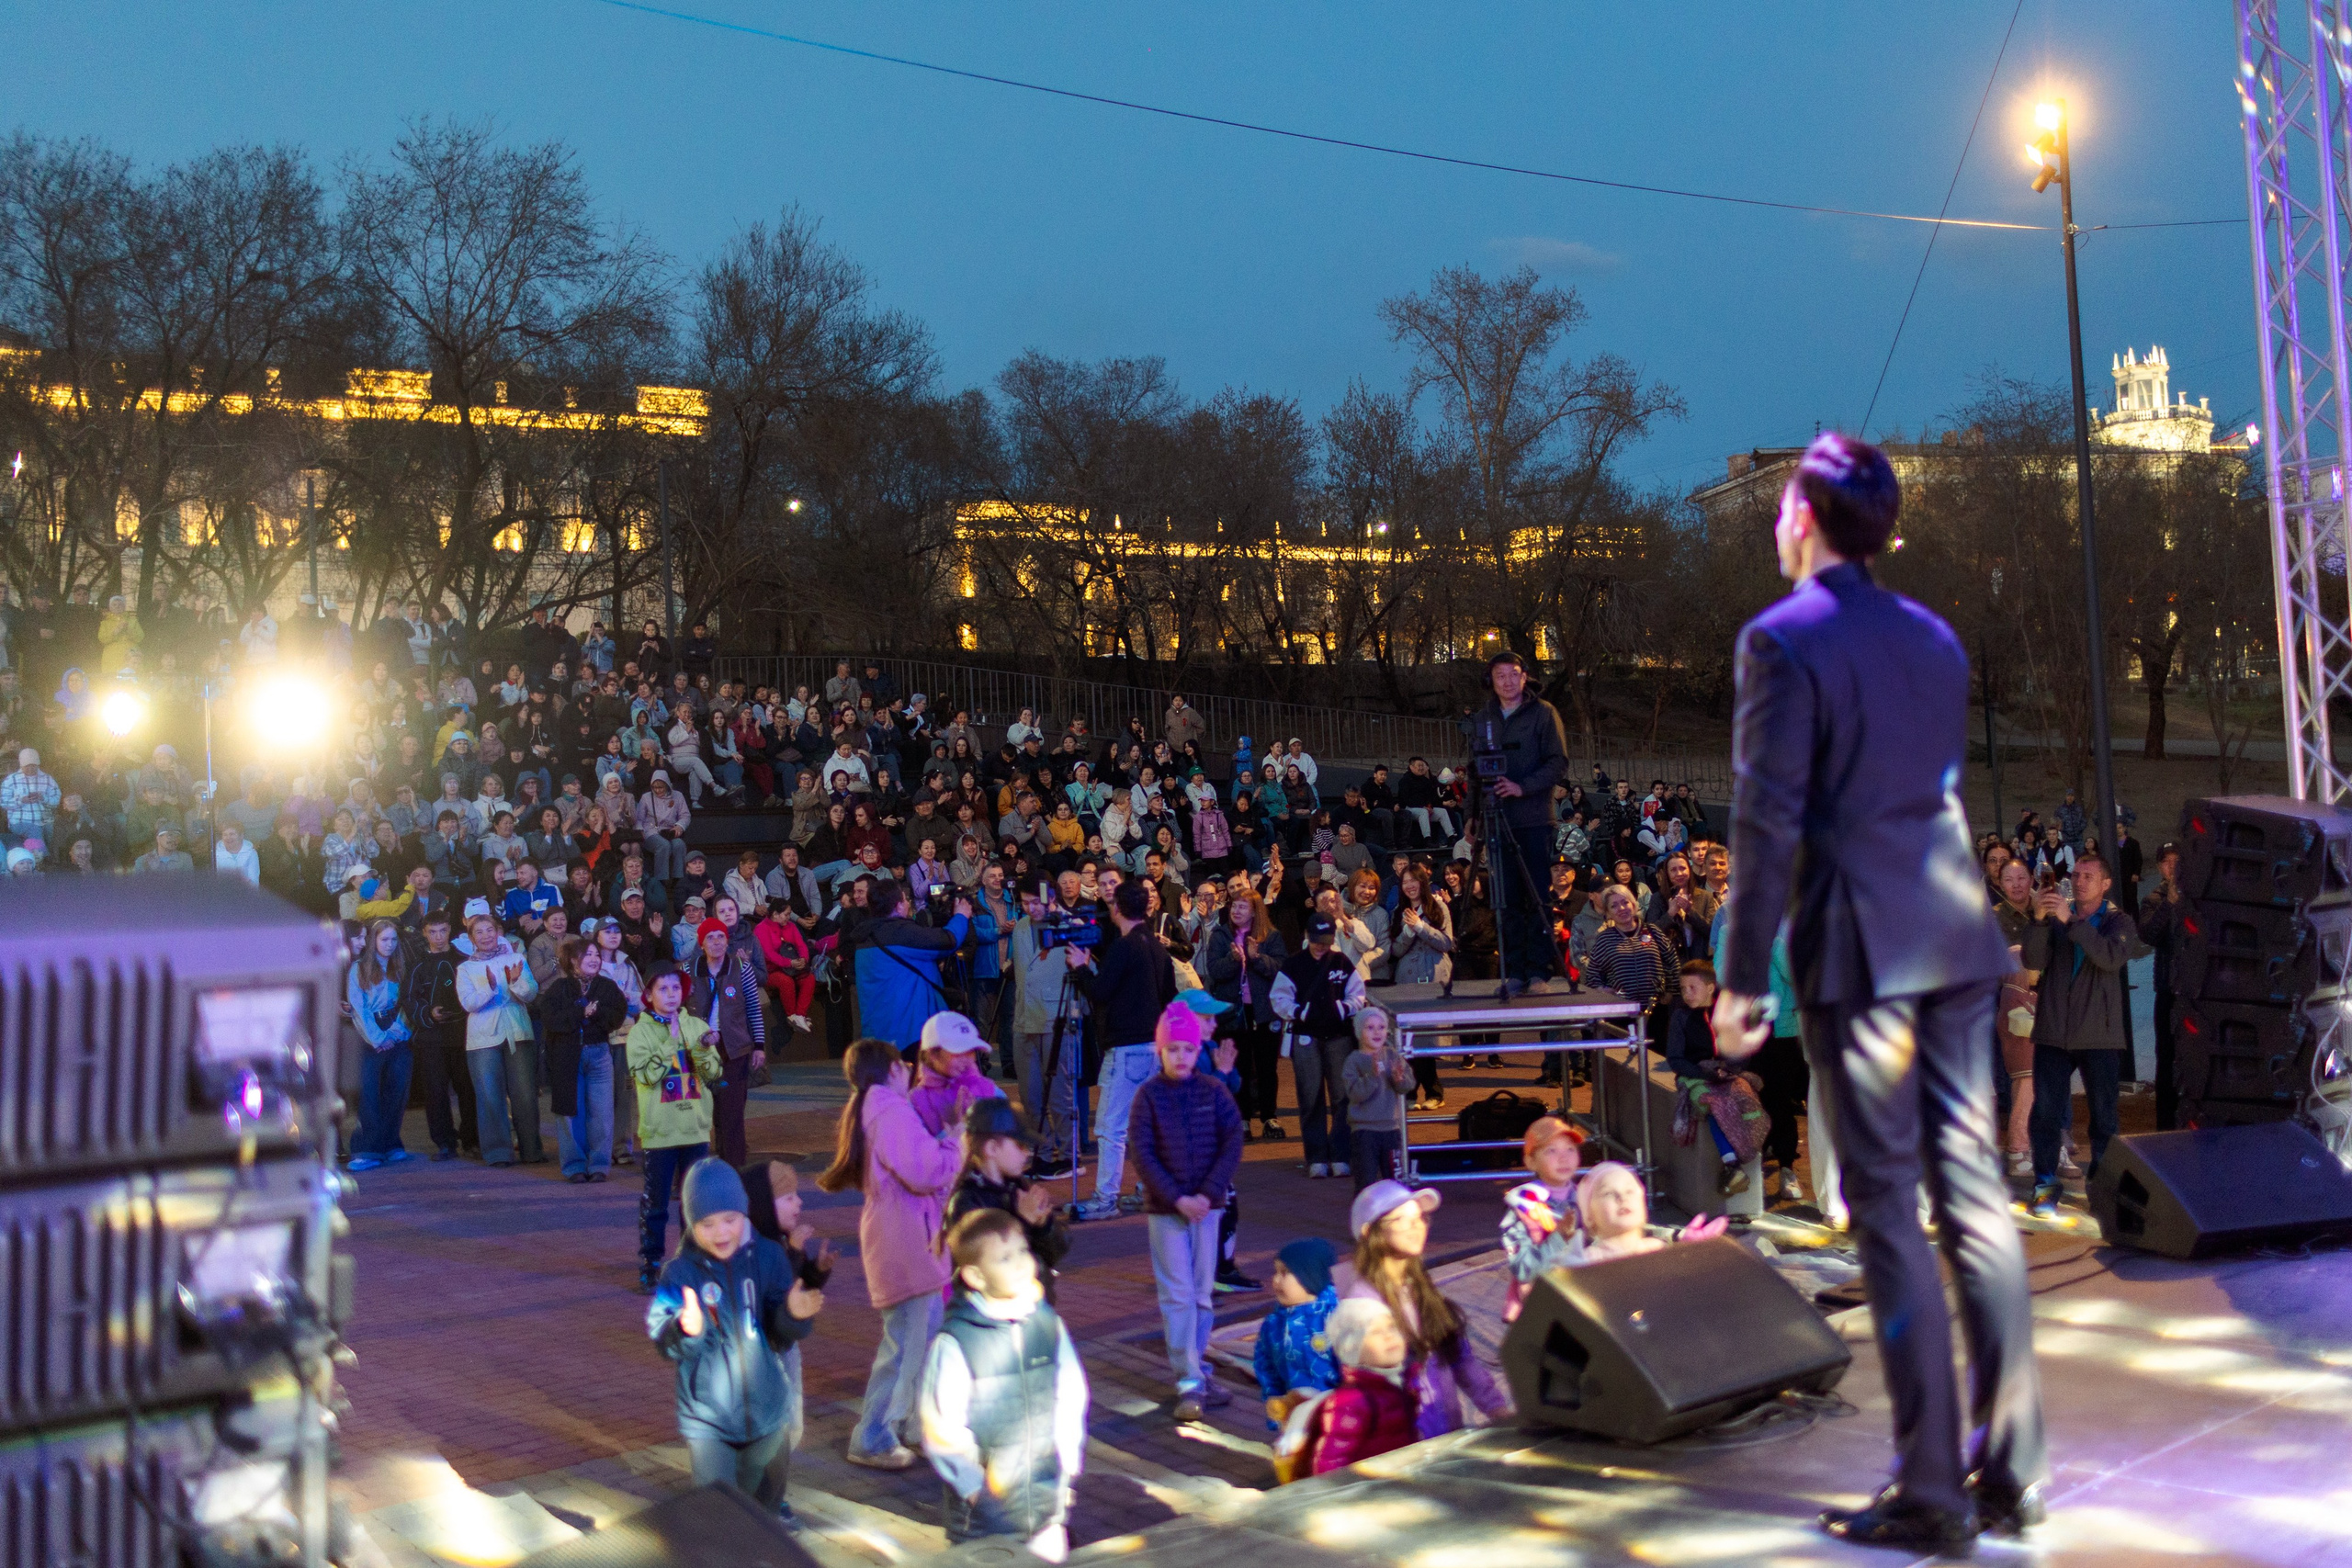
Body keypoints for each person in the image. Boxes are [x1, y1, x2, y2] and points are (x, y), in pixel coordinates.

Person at [1711, 432, 2046, 1547]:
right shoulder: (1932, 637)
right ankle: (2011, 1470)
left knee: (1891, 1214)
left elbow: (1767, 819)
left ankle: (1933, 1492)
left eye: (1779, 506)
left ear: (1803, 520)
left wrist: (1740, 978)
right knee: (1975, 1201)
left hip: (1864, 950)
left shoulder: (1780, 638)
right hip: (1956, 936)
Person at [647, 1158, 823, 1518]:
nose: (720, 1232)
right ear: (691, 1223)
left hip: (768, 1415)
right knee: (720, 1516)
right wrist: (685, 1329)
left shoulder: (769, 1256)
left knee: (765, 1513)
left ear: (744, 1212)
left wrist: (793, 1315)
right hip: (709, 1421)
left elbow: (780, 1336)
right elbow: (662, 1336)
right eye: (707, 1224)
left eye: (730, 1219)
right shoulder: (679, 1273)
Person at [818, 1039, 961, 1471]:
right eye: (904, 1065)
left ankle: (915, 1426)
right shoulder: (891, 1111)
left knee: (920, 1337)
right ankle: (873, 1435)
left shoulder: (874, 1109)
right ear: (892, 1070)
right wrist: (955, 1143)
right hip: (907, 1238)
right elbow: (925, 1171)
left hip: (902, 1234)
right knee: (906, 1343)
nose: (911, 1071)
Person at [919, 1209, 1089, 1561]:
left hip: (1046, 1505)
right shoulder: (957, 1341)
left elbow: (1071, 1394)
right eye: (1004, 1258)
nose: (1021, 1263)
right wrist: (972, 1487)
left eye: (1023, 1251)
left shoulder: (1047, 1324)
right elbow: (941, 1425)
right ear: (976, 1276)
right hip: (984, 1517)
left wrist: (1068, 1462)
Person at [1126, 1000, 1245, 1421]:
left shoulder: (1213, 1091)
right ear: (1160, 1051)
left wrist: (1208, 1193)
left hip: (1206, 1208)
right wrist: (1178, 1198)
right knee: (1177, 1294)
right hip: (1168, 1210)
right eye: (1172, 1049)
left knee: (1201, 1294)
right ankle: (1189, 1378)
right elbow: (1143, 1153)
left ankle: (1196, 1369)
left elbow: (1232, 1140)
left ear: (1198, 1051)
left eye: (1188, 1049)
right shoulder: (1148, 1096)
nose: (1181, 1056)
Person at [2021, 853, 2146, 1218]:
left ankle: (2102, 1191)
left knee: (2104, 1118)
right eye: (2076, 875)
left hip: (2099, 1035)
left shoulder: (2119, 921)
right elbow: (2032, 961)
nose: (2079, 881)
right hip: (2054, 1031)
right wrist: (2039, 921)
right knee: (2045, 1114)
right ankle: (2045, 1186)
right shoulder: (2056, 917)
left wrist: (2070, 921)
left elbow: (2108, 958)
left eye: (2088, 876)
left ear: (2106, 884)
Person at [1343, 1181, 1510, 1439]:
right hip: (1405, 1448)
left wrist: (1497, 1409)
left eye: (1419, 1218)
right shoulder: (1363, 1305)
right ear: (1369, 1232)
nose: (1416, 1226)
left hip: (1445, 1441)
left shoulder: (1421, 1289)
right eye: (1401, 1219)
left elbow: (1459, 1357)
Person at [1069, 879, 1177, 1222]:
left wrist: (1081, 968)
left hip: (1127, 1047)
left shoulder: (1124, 946)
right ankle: (1148, 1188)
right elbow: (1170, 996)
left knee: (1110, 1127)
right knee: (1143, 1125)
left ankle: (1106, 1198)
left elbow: (1100, 992)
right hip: (1153, 1046)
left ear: (1116, 908)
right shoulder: (1156, 947)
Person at [1466, 651, 1567, 993]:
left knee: (1536, 896)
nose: (1507, 681)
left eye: (1513, 674)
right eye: (1500, 676)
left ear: (1525, 677)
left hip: (1534, 818)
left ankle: (1539, 971)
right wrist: (1471, 815)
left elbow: (1558, 762)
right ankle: (1513, 972)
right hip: (1496, 819)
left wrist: (1522, 787)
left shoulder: (1544, 713)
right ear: (1491, 681)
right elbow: (1475, 770)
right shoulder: (1484, 718)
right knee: (1505, 898)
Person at [626, 968, 725, 1293]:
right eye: (663, 988)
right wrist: (670, 1042)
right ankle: (651, 1264)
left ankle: (692, 1263)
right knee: (655, 1205)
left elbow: (713, 1074)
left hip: (695, 1130)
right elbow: (646, 1076)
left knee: (693, 1205)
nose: (671, 994)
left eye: (676, 988)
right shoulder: (639, 1033)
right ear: (649, 995)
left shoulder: (697, 1026)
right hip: (660, 1134)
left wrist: (704, 1049)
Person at [947, 1098, 1071, 1303]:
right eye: (1020, 1145)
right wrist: (1024, 1220)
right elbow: (985, 1262)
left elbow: (1057, 1251)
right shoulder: (967, 1200)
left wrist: (1043, 1224)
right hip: (994, 1309)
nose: (1027, 1152)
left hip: (1031, 1304)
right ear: (992, 1148)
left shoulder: (1017, 1185)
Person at [1271, 915, 1367, 1180]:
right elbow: (1278, 998)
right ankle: (1316, 1157)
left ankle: (1341, 1155)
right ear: (1307, 936)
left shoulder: (1341, 962)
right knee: (1310, 1097)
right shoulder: (1294, 964)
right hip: (1306, 1037)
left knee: (1342, 1097)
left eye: (1325, 942)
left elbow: (1358, 995)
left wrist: (1341, 1009)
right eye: (1316, 941)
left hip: (1339, 1036)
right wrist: (1299, 1012)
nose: (1320, 947)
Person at [1283, 1297, 1418, 1478]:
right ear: (1353, 1348)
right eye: (1376, 1332)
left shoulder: (1405, 1381)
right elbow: (1330, 1463)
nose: (1389, 1336)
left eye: (1392, 1327)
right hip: (1371, 1488)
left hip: (1402, 1478)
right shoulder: (1351, 1402)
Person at [457, 908, 542, 1167]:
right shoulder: (465, 968)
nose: (485, 936)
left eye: (490, 930)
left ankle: (531, 1150)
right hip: (483, 1038)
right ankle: (497, 1152)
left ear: (498, 932)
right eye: (479, 932)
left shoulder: (515, 958)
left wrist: (515, 982)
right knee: (490, 1096)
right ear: (471, 938)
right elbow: (469, 1003)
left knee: (525, 1095)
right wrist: (491, 987)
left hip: (518, 1032)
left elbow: (531, 994)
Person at [542, 936, 625, 1183]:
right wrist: (581, 1012)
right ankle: (574, 1165)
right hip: (567, 1056)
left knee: (602, 1113)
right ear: (573, 960)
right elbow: (551, 1020)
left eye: (596, 955)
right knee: (570, 1113)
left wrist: (594, 1012)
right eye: (588, 954)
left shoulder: (607, 986)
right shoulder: (558, 988)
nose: (594, 959)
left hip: (599, 1053)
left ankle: (599, 1164)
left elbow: (616, 1017)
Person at [687, 917, 768, 1168]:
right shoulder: (689, 970)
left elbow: (753, 1008)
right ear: (701, 943)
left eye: (720, 936)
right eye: (710, 937)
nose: (716, 942)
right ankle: (695, 1171)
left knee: (732, 1110)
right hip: (700, 1049)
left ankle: (733, 1167)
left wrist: (759, 1046)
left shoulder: (741, 967)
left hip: (733, 1048)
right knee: (700, 1110)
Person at [1252, 1237, 1341, 1456]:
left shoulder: (1335, 1318)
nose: (1275, 1280)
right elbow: (1266, 1368)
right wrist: (1276, 1403)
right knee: (1298, 1458)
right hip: (1294, 1416)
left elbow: (1351, 1369)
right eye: (1275, 1272)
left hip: (1335, 1415)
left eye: (1285, 1273)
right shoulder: (1274, 1324)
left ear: (1310, 1275)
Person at [345, 919, 415, 1172]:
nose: (389, 944)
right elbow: (359, 1007)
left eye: (393, 939)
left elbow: (408, 1001)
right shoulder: (359, 969)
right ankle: (367, 1148)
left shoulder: (402, 967)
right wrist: (377, 1037)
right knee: (369, 1094)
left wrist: (397, 1032)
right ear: (373, 940)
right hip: (370, 1034)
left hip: (398, 1030)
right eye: (384, 939)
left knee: (397, 1091)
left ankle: (390, 1143)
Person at [1499, 1117, 1586, 1321]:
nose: (1563, 1158)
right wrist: (1558, 1238)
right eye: (1551, 1151)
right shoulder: (1523, 1207)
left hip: (1583, 1303)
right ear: (1531, 1161)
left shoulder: (1586, 1198)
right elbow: (1523, 1269)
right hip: (1540, 1312)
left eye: (1570, 1149)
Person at [1566, 1160, 1728, 1263]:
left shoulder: (1659, 1250)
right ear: (1589, 1215)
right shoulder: (1585, 1262)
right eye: (1608, 1193)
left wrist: (1690, 1252)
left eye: (1630, 1191)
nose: (1622, 1197)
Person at [1340, 1002, 1411, 1191]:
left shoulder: (1392, 1055)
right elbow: (1355, 1094)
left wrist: (1399, 1079)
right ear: (1359, 1032)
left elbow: (1408, 1086)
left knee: (1395, 1181)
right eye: (1369, 1028)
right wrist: (1372, 1076)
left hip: (1391, 1128)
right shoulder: (1353, 1060)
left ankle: (1395, 1209)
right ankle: (1365, 1209)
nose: (1376, 1032)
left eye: (1381, 1027)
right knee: (1366, 1181)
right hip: (1365, 1131)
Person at [2139, 843, 2185, 1132]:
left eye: (2177, 861)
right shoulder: (2154, 899)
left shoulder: (2197, 895)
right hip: (2168, 990)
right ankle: (2166, 1128)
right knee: (2166, 1060)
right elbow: (2149, 935)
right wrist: (2169, 903)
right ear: (2159, 868)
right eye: (2166, 862)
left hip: (2196, 992)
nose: (2172, 866)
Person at [910, 1010, 1005, 1135]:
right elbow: (915, 1145)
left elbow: (1009, 1136)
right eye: (958, 1053)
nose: (966, 1059)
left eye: (970, 1052)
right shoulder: (916, 1101)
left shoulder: (989, 1091)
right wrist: (954, 1133)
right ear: (932, 1054)